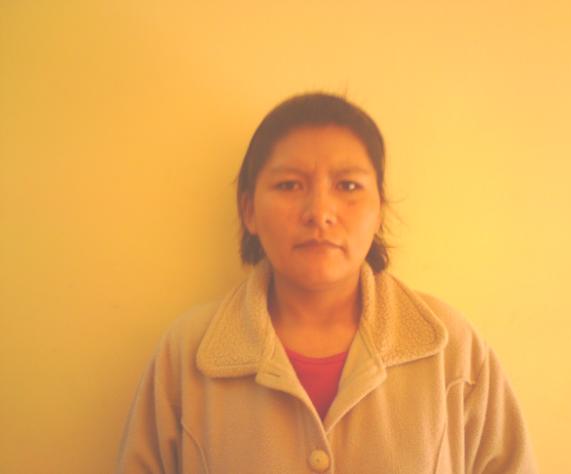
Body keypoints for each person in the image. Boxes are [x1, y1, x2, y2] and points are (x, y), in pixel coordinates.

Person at [116, 92, 537, 473]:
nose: (319, 212)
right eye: (289, 185)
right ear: (249, 211)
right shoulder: (187, 353)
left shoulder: (451, 348)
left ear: (379, 210)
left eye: (348, 186)